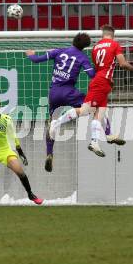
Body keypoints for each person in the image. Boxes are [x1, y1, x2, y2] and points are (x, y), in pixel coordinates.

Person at [26, 32, 117, 172]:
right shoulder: (82, 57)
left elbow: (36, 60)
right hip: (69, 92)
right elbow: (92, 75)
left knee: (51, 123)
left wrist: (31, 54)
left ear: (73, 40)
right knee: (96, 106)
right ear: (85, 46)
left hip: (54, 93)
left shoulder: (59, 51)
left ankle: (49, 153)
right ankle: (108, 133)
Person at [49, 25, 133, 157]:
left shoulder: (95, 48)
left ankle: (101, 139)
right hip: (102, 82)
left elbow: (97, 68)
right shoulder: (114, 44)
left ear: (102, 35)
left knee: (100, 112)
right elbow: (122, 64)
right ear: (113, 35)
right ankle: (57, 122)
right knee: (85, 110)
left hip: (102, 81)